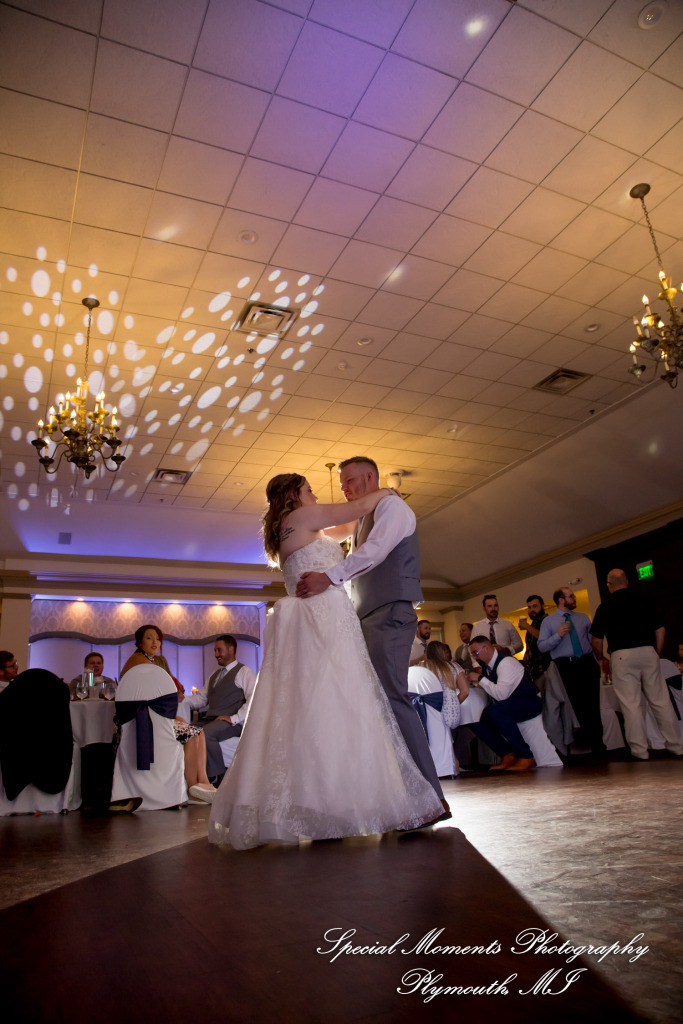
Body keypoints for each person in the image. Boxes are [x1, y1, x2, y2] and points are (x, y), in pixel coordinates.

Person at [208, 473, 444, 849]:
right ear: (294, 495)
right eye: (309, 490)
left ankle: (321, 808)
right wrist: (388, 490)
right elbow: (358, 508)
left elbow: (350, 524)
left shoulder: (288, 528)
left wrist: (364, 510)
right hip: (324, 619)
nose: (315, 495)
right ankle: (340, 805)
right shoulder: (303, 516)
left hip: (307, 623)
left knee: (313, 713)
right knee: (342, 705)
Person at [295, 456, 449, 815]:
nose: (344, 488)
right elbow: (332, 537)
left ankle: (431, 797)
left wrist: (328, 578)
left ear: (370, 477)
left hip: (390, 612)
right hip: (367, 618)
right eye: (341, 483)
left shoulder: (392, 507)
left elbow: (375, 552)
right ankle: (398, 797)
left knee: (393, 699)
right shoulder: (363, 516)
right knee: (376, 706)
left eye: (349, 481)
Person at [590, 569, 682, 761]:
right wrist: (656, 652)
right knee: (660, 700)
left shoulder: (604, 607)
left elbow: (597, 640)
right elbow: (660, 629)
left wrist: (601, 657)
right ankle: (676, 745)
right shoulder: (643, 601)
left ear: (609, 585)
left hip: (621, 656)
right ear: (627, 582)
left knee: (630, 704)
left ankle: (640, 751)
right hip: (648, 651)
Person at [120, 625, 216, 803]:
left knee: (199, 732)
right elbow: (151, 698)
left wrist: (174, 717)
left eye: (157, 639)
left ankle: (203, 782)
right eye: (149, 638)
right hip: (145, 722)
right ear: (140, 643)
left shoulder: (149, 662)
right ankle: (191, 788)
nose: (155, 642)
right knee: (192, 735)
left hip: (153, 718)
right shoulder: (139, 661)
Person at [538, 587, 606, 758]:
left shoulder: (582, 617)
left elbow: (590, 641)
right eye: (570, 596)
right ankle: (582, 748)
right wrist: (558, 635)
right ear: (561, 600)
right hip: (565, 666)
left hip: (586, 663)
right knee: (575, 707)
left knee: (592, 705)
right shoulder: (549, 622)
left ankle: (598, 745)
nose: (574, 598)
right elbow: (542, 646)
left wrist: (597, 661)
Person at [181, 635, 256, 783]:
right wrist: (182, 699)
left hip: (233, 723)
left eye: (219, 650)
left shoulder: (244, 672)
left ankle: (217, 778)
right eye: (215, 650)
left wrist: (233, 718)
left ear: (231, 649)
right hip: (212, 719)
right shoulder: (214, 675)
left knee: (204, 734)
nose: (216, 654)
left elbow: (253, 699)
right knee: (187, 732)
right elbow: (201, 699)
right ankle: (191, 777)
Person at [467, 636, 542, 772]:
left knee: (497, 711)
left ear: (486, 648)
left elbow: (501, 695)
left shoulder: (506, 663)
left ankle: (526, 755)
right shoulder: (488, 665)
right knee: (475, 720)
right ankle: (507, 753)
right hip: (512, 702)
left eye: (475, 653)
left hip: (529, 701)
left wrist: (480, 678)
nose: (475, 657)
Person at [518, 595, 551, 690]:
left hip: (545, 669)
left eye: (535, 606)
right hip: (533, 671)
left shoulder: (547, 621)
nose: (532, 610)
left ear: (543, 606)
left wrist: (527, 626)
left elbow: (544, 637)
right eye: (529, 607)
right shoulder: (534, 623)